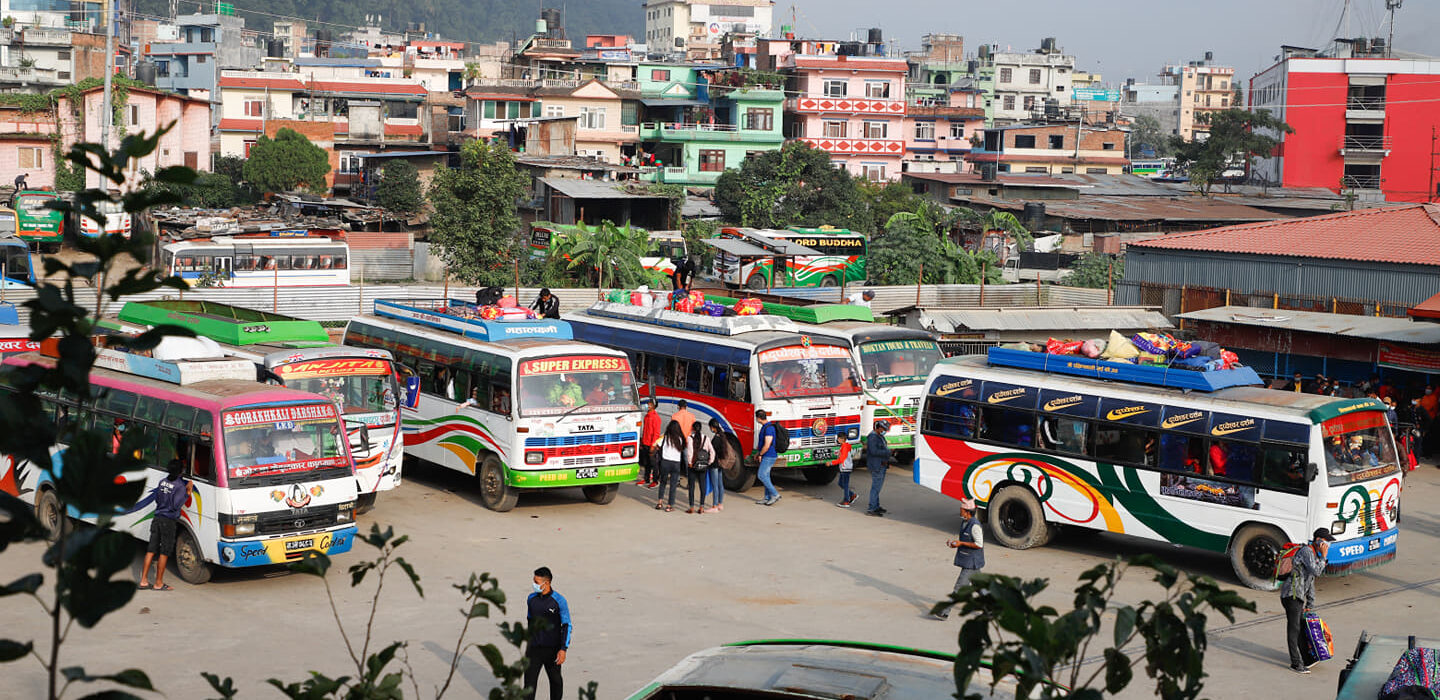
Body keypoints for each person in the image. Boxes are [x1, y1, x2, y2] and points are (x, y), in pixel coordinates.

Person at [1281, 529, 1334, 674]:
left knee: (1300, 627)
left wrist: (1310, 604)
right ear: (1318, 540)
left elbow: (1311, 581)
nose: (1327, 545)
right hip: (1291, 594)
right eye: (1325, 541)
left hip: (1298, 596)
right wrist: (1324, 557)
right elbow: (1316, 571)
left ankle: (1305, 658)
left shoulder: (1314, 556)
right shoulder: (1306, 552)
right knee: (1294, 629)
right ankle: (1296, 663)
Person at [138, 460, 192, 591]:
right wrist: (188, 492)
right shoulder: (179, 486)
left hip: (157, 518)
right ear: (180, 472)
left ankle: (143, 581)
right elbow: (175, 505)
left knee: (151, 550)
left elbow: (157, 499)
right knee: (164, 552)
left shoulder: (162, 482)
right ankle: (158, 583)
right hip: (168, 521)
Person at [524, 566, 571, 700]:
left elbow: (567, 625)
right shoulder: (531, 599)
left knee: (556, 682)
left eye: (537, 582)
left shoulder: (559, 601)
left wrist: (563, 649)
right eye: (534, 581)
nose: (534, 585)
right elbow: (529, 620)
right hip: (533, 650)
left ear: (547, 583)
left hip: (552, 650)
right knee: (528, 686)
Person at [934, 498, 985, 620]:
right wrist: (954, 544)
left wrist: (961, 543)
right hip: (970, 561)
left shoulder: (975, 526)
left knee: (959, 588)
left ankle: (944, 612)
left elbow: (979, 544)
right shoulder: (964, 522)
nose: (960, 511)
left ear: (967, 512)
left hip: (971, 562)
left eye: (961, 510)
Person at [652, 420, 688, 512]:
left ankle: (659, 502)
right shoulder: (680, 439)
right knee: (673, 485)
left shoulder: (665, 437)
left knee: (663, 482)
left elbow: (656, 445)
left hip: (665, 462)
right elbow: (683, 448)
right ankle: (669, 506)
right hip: (676, 463)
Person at [865, 420, 893, 517]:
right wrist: (887, 452)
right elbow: (874, 451)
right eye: (884, 429)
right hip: (877, 466)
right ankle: (872, 508)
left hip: (881, 465)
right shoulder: (873, 437)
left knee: (877, 487)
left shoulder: (879, 436)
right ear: (878, 428)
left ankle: (876, 506)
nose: (885, 431)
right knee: (876, 488)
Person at [705, 419, 734, 513]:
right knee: (720, 484)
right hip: (721, 463)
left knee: (715, 485)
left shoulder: (716, 439)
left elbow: (712, 451)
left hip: (715, 464)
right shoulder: (723, 436)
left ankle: (714, 506)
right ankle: (720, 504)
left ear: (713, 427)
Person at [686, 422, 715, 514]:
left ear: (693, 429)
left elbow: (690, 451)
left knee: (691, 486)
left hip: (693, 465)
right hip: (703, 465)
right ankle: (701, 507)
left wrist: (690, 462)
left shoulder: (690, 438)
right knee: (702, 485)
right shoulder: (706, 438)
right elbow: (712, 452)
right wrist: (709, 462)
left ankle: (691, 507)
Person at [753, 409, 781, 506]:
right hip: (767, 455)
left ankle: (775, 494)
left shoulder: (769, 428)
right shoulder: (765, 427)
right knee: (766, 476)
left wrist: (760, 454)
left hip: (769, 455)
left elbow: (767, 444)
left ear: (758, 418)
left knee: (761, 475)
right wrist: (758, 453)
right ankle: (767, 497)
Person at [638, 398, 662, 488]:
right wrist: (642, 441)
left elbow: (656, 433)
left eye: (650, 404)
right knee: (646, 463)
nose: (648, 405)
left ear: (654, 406)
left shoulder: (656, 418)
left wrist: (653, 445)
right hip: (645, 442)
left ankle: (655, 481)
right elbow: (644, 430)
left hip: (651, 444)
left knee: (654, 463)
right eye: (648, 403)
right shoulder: (647, 416)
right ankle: (646, 478)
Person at [829, 437, 857, 507]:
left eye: (838, 438)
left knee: (845, 484)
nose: (837, 440)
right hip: (845, 468)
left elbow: (841, 459)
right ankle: (852, 495)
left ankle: (846, 501)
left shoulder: (844, 447)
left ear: (842, 439)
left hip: (845, 468)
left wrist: (831, 463)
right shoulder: (845, 446)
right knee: (841, 483)